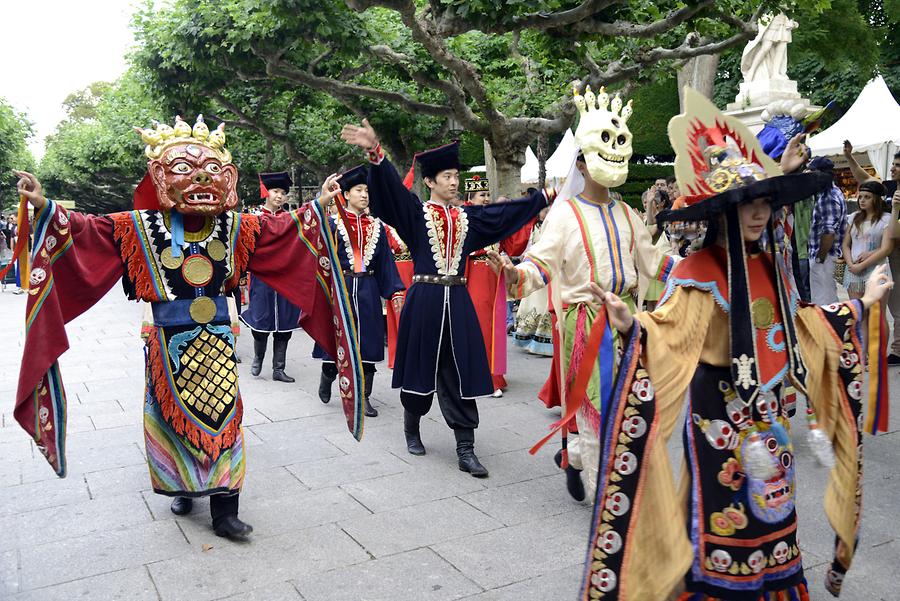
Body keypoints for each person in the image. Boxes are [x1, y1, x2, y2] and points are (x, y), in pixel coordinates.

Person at [578, 88, 892, 601]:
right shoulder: (699, 271)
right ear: (724, 210)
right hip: (718, 412)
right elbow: (669, 328)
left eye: (766, 202)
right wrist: (631, 324)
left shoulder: (770, 266)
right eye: (748, 203)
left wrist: (861, 306)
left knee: (775, 506)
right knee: (729, 511)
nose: (759, 213)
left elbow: (803, 326)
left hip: (771, 413)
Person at [11, 116, 363, 541]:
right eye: (183, 168)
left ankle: (225, 508)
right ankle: (182, 486)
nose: (200, 177)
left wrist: (320, 205)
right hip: (166, 343)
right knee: (169, 416)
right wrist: (45, 206)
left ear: (227, 178)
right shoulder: (137, 227)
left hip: (216, 337)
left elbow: (282, 228)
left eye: (213, 169)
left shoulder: (236, 227)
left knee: (225, 418)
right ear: (160, 176)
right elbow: (86, 230)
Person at [490, 84, 676, 502]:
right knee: (595, 409)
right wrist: (514, 272)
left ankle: (577, 457)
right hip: (585, 322)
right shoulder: (564, 215)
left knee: (629, 403)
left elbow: (654, 262)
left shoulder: (628, 213)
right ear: (583, 163)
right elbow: (540, 266)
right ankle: (606, 494)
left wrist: (700, 273)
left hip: (627, 319)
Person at [341, 121, 552, 478]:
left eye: (456, 175)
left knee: (459, 373)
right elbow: (392, 193)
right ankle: (412, 426)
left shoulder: (467, 218)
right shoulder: (415, 214)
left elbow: (500, 215)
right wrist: (376, 152)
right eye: (447, 176)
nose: (454, 182)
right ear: (430, 182)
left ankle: (465, 448)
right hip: (424, 300)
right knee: (420, 366)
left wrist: (539, 200)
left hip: (457, 300)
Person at [315, 165, 405, 418]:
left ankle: (364, 398)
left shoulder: (377, 227)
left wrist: (395, 292)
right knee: (338, 341)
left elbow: (386, 261)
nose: (364, 195)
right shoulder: (332, 223)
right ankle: (328, 374)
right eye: (359, 190)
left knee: (368, 344)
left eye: (367, 190)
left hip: (368, 288)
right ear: (346, 194)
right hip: (341, 289)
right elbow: (314, 238)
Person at [239, 172, 303, 382]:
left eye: (283, 193)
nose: (280, 196)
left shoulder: (289, 219)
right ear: (267, 192)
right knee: (261, 320)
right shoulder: (254, 219)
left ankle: (278, 368)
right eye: (276, 191)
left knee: (285, 324)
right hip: (263, 279)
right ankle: (258, 358)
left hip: (285, 280)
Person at [843, 140, 900, 363]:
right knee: (868, 312)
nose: (893, 168)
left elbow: (892, 238)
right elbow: (865, 180)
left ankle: (893, 350)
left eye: (897, 164)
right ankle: (870, 354)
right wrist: (849, 157)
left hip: (886, 253)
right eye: (893, 163)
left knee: (892, 308)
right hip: (883, 253)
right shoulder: (887, 187)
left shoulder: (886, 213)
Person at [464, 175, 508, 397]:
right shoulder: (465, 218)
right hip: (476, 277)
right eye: (483, 195)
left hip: (493, 275)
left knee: (496, 324)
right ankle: (486, 379)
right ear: (470, 198)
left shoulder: (491, 217)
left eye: (488, 194)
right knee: (482, 326)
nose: (487, 198)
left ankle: (496, 374)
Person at [842, 180, 895, 299]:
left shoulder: (886, 219)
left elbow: (886, 249)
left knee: (876, 314)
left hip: (877, 269)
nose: (862, 200)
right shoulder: (854, 217)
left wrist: (862, 264)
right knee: (858, 314)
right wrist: (851, 264)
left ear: (876, 199)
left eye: (867, 197)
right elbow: (845, 244)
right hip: (853, 269)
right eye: (860, 197)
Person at [807, 156, 846, 305]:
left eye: (812, 172)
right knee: (828, 298)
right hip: (827, 257)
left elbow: (829, 232)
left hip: (825, 258)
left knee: (823, 302)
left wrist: (819, 258)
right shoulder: (833, 192)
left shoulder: (828, 197)